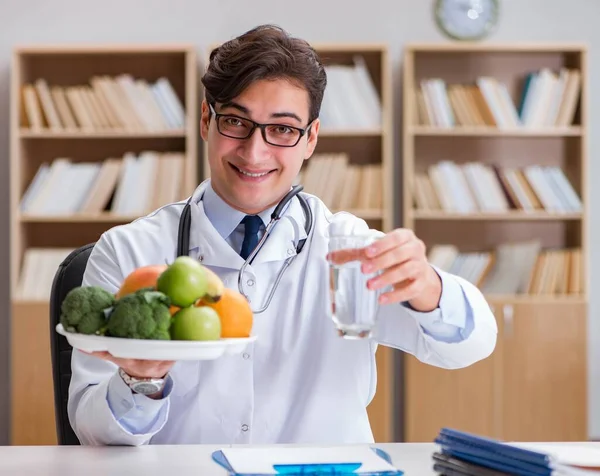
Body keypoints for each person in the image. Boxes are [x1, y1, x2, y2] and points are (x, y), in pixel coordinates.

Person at [68, 24, 497, 446]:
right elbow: (91, 430)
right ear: (206, 120)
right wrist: (140, 380)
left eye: (283, 129)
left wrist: (430, 289)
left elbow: (468, 347)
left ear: (310, 138)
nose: (254, 152)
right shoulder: (129, 251)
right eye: (236, 121)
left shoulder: (349, 248)